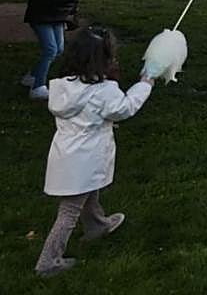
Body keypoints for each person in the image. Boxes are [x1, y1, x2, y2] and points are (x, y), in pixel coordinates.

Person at [33, 27, 154, 278]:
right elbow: (125, 107)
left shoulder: (62, 86)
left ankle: (97, 225)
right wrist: (145, 83)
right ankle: (48, 261)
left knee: (89, 191)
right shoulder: (102, 91)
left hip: (66, 154)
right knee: (69, 211)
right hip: (85, 157)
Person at [22, 0, 87, 100]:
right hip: (41, 16)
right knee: (50, 49)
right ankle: (38, 87)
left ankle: (33, 76)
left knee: (58, 49)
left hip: (56, 16)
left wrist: (71, 7)